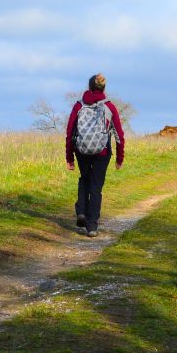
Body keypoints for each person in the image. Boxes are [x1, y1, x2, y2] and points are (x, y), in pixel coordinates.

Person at [64, 73, 125, 236]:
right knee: (96, 187)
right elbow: (119, 134)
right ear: (103, 88)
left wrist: (69, 156)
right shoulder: (109, 107)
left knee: (84, 178)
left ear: (89, 87)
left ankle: (81, 211)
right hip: (102, 151)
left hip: (81, 149)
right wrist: (120, 157)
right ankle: (92, 226)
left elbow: (70, 131)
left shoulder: (78, 106)